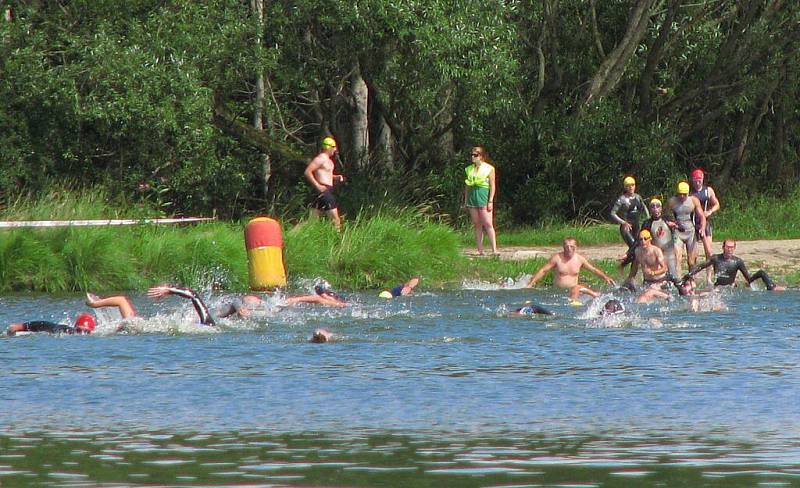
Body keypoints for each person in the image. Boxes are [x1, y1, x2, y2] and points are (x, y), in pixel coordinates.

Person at [525, 237, 616, 302]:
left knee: (576, 288)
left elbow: (593, 270)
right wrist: (531, 283)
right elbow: (543, 270)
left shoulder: (580, 259)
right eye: (567, 246)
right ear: (563, 247)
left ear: (576, 247)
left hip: (574, 290)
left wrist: (606, 277)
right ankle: (593, 294)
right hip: (558, 292)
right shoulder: (557, 258)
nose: (569, 249)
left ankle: (592, 296)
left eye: (571, 246)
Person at [682, 239, 785, 291]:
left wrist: (760, 277)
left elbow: (748, 278)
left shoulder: (737, 261)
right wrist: (690, 274)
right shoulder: (716, 258)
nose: (730, 249)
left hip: (730, 288)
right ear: (723, 247)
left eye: (732, 247)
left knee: (761, 272)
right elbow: (701, 266)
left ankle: (772, 286)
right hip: (718, 288)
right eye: (728, 247)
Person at [85, 286, 216, 326]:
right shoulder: (207, 323)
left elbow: (193, 295)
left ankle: (96, 304)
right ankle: (96, 305)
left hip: (143, 327)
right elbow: (194, 295)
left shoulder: (207, 323)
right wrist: (169, 290)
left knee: (122, 302)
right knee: (122, 303)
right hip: (145, 327)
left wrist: (169, 290)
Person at [619, 198, 679, 280]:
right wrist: (628, 254)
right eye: (653, 207)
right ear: (650, 209)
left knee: (674, 277)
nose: (655, 209)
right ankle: (632, 282)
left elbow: (682, 229)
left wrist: (676, 226)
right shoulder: (647, 223)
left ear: (661, 208)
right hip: (656, 254)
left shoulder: (668, 219)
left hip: (669, 253)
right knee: (655, 278)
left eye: (657, 206)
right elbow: (638, 241)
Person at [304, 136, 346, 231]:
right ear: (328, 147)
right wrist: (317, 185)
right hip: (323, 191)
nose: (335, 150)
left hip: (326, 190)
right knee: (335, 219)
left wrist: (336, 177)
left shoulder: (329, 161)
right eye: (334, 147)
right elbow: (307, 172)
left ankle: (290, 235)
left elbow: (327, 174)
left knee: (312, 222)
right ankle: (339, 241)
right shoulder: (320, 159)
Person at [463, 146, 498, 256]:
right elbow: (467, 186)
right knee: (477, 224)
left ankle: (494, 250)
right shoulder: (469, 169)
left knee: (488, 223)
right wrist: (465, 200)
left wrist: (490, 201)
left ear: (481, 156)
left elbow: (492, 185)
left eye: (476, 155)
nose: (473, 157)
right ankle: (480, 250)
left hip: (483, 196)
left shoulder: (489, 168)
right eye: (472, 155)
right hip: (472, 198)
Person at [689, 168, 721, 282]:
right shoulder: (689, 193)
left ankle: (708, 277)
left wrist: (710, 211)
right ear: (692, 180)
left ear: (702, 179)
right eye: (696, 180)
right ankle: (693, 275)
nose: (698, 182)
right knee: (694, 252)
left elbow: (717, 204)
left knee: (708, 251)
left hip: (705, 223)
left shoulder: (708, 191)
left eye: (700, 179)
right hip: (693, 224)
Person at [668, 181, 706, 275]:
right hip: (678, 232)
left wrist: (702, 228)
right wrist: (670, 223)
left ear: (688, 193)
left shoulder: (693, 200)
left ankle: (691, 280)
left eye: (684, 194)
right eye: (680, 194)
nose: (682, 197)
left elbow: (702, 216)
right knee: (677, 258)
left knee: (691, 261)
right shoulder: (672, 201)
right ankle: (679, 281)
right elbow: (665, 216)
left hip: (690, 232)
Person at [609, 176, 650, 253]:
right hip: (626, 227)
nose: (631, 187)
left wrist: (648, 219)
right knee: (634, 247)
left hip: (636, 226)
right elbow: (613, 213)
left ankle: (629, 261)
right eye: (628, 186)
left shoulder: (638, 197)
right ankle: (625, 261)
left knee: (637, 247)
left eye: (632, 185)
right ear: (625, 187)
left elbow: (644, 207)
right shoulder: (622, 199)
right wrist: (623, 222)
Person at [6, 313, 96, 336]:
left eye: (86, 331)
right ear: (75, 327)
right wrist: (19, 327)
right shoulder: (66, 330)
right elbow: (44, 324)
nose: (82, 333)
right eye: (79, 330)